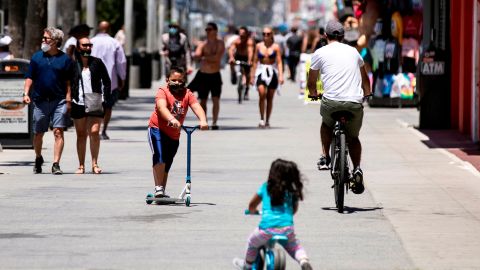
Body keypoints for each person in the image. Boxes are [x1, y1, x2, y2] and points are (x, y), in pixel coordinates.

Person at [307, 20, 372, 194]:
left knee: (326, 124)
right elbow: (365, 78)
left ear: (325, 36)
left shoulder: (319, 53)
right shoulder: (354, 52)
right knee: (353, 137)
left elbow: (311, 81)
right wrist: (367, 93)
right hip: (354, 102)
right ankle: (357, 168)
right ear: (343, 36)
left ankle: (325, 156)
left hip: (331, 102)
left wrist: (313, 93)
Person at [232, 159, 312, 270]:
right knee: (295, 247)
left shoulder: (266, 187)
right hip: (287, 229)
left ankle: (247, 265)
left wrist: (252, 211)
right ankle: (303, 261)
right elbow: (293, 211)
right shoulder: (291, 191)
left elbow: (252, 205)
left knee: (252, 242)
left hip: (266, 229)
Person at [148, 66, 208, 198]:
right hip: (157, 128)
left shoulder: (187, 93)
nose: (177, 83)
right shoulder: (162, 91)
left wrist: (203, 120)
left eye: (180, 80)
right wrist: (171, 119)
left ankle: (161, 190)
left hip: (174, 134)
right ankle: (158, 188)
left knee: (167, 162)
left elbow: (196, 106)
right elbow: (161, 107)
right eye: (174, 80)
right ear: (167, 80)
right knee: (159, 156)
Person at [23, 27, 74, 175]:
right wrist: (26, 93)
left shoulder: (65, 59)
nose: (43, 41)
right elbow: (29, 77)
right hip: (40, 101)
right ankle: (38, 157)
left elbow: (68, 81)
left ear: (55, 41)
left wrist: (68, 97)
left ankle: (56, 164)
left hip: (59, 100)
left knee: (58, 131)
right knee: (38, 133)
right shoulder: (37, 57)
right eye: (43, 38)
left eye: (46, 38)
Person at [70, 37, 111, 174]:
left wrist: (105, 99)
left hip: (94, 100)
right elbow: (67, 83)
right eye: (84, 45)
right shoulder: (73, 64)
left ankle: (95, 163)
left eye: (89, 45)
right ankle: (81, 165)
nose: (87, 48)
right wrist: (69, 99)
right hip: (78, 102)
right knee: (81, 134)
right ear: (78, 47)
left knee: (94, 132)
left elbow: (107, 81)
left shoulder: (97, 62)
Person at [91, 21, 127, 140]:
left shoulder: (91, 42)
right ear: (109, 29)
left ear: (98, 28)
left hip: (93, 80)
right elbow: (121, 62)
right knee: (108, 107)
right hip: (111, 81)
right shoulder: (114, 42)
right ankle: (103, 130)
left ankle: (93, 129)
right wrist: (122, 78)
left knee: (94, 106)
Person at [188, 22, 225, 130]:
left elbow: (217, 58)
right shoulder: (203, 44)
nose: (208, 32)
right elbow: (197, 56)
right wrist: (203, 56)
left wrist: (204, 57)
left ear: (215, 31)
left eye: (210, 29)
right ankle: (204, 121)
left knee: (215, 99)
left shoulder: (220, 43)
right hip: (203, 75)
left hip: (215, 75)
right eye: (206, 30)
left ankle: (214, 122)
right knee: (202, 100)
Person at [250, 26, 284, 128]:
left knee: (270, 97)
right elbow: (255, 61)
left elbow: (279, 62)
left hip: (272, 71)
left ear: (272, 35)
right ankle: (261, 118)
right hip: (261, 71)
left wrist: (281, 75)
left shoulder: (276, 47)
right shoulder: (258, 46)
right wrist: (252, 75)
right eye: (264, 34)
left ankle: (267, 120)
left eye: (268, 34)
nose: (265, 36)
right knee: (261, 94)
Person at [228, 26, 255, 100]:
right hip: (238, 56)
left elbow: (250, 51)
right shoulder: (236, 41)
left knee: (248, 74)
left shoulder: (249, 41)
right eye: (240, 33)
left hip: (246, 58)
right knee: (231, 62)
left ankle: (246, 90)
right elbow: (231, 49)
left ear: (246, 34)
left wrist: (250, 60)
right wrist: (231, 57)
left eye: (243, 33)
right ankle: (233, 73)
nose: (241, 35)